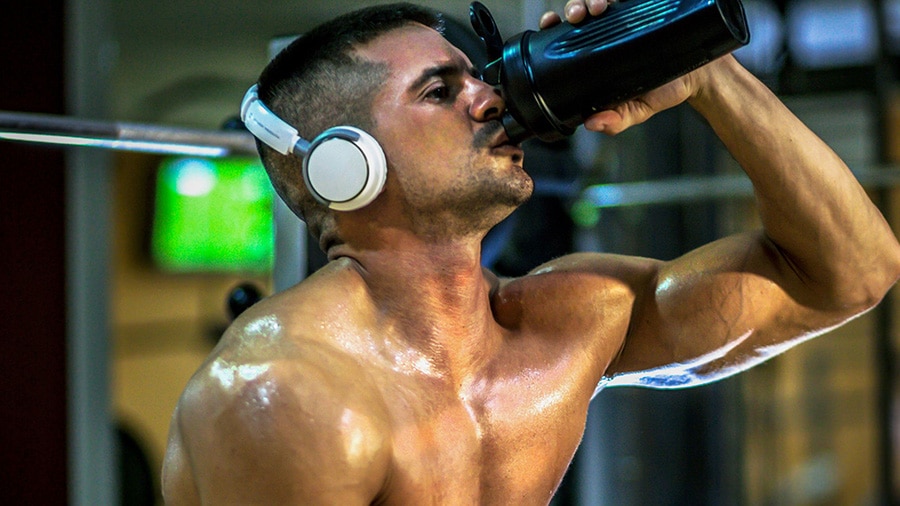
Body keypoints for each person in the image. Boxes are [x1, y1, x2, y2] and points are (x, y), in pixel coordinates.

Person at [161, 0, 900, 503]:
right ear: (343, 166)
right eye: (440, 89)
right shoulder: (282, 390)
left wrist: (710, 77)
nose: (489, 99)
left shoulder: (565, 325)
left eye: (478, 78)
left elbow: (849, 274)